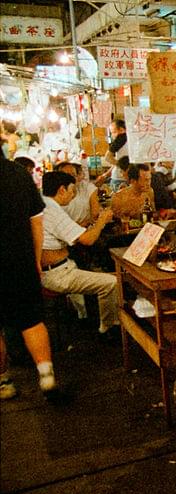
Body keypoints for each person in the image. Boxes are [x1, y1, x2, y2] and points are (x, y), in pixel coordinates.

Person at [0, 155, 58, 397]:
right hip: (18, 260)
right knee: (31, 320)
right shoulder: (17, 173)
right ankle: (46, 377)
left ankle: (3, 382)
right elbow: (36, 222)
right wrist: (34, 258)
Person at [40, 171, 119, 338]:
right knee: (111, 282)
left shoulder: (43, 204)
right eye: (72, 190)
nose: (73, 195)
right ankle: (108, 329)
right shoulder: (52, 210)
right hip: (57, 274)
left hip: (58, 268)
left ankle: (88, 318)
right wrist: (102, 221)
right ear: (62, 189)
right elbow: (88, 240)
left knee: (93, 270)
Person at [59, 161, 100, 227]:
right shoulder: (54, 196)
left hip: (87, 229)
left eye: (73, 175)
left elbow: (95, 214)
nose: (70, 178)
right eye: (66, 175)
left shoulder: (86, 187)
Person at [104, 120, 129, 193]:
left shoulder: (124, 137)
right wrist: (125, 167)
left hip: (123, 178)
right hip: (120, 179)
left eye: (113, 132)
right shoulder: (122, 138)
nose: (112, 136)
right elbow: (108, 157)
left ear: (121, 130)